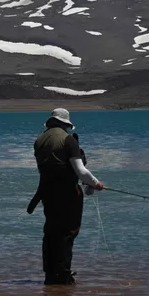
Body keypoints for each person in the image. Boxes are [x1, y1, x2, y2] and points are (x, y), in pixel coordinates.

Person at [32, 108, 104, 285]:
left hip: (47, 194)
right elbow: (81, 171)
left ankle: (50, 275)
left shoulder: (39, 140)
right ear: (65, 124)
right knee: (67, 233)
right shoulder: (68, 140)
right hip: (67, 194)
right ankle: (63, 276)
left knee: (51, 232)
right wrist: (96, 183)